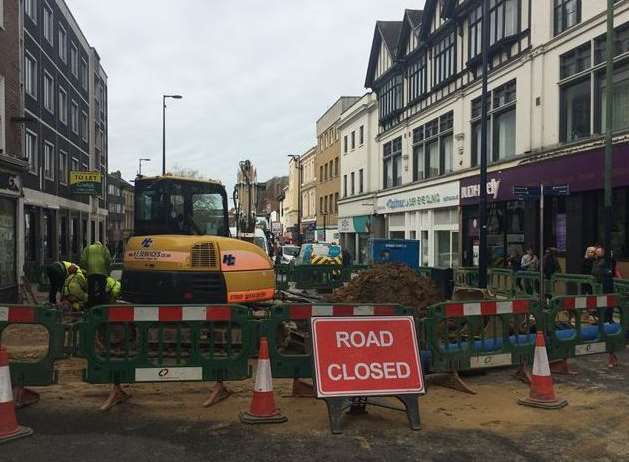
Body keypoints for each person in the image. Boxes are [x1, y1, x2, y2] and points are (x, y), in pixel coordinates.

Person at [80, 241, 112, 307]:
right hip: (102, 272)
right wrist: (106, 268)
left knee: (91, 289)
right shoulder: (104, 248)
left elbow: (83, 260)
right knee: (102, 289)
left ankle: (91, 304)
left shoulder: (88, 248)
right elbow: (108, 260)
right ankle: (102, 304)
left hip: (91, 271)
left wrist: (86, 268)